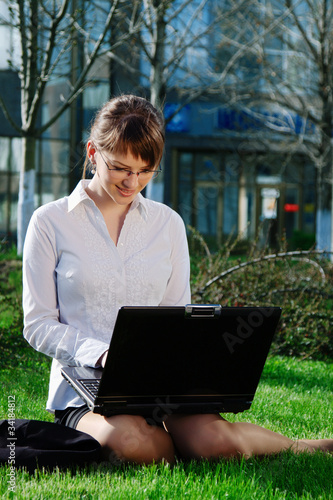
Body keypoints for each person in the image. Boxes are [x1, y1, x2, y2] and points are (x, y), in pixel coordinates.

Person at [22, 94, 333, 465]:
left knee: (219, 445)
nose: (133, 182)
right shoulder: (50, 222)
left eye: (146, 170)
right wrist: (101, 354)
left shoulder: (167, 224)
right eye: (121, 168)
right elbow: (37, 323)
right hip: (85, 389)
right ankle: (176, 440)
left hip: (160, 384)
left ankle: (307, 446)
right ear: (93, 152)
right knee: (138, 446)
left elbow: (177, 315)